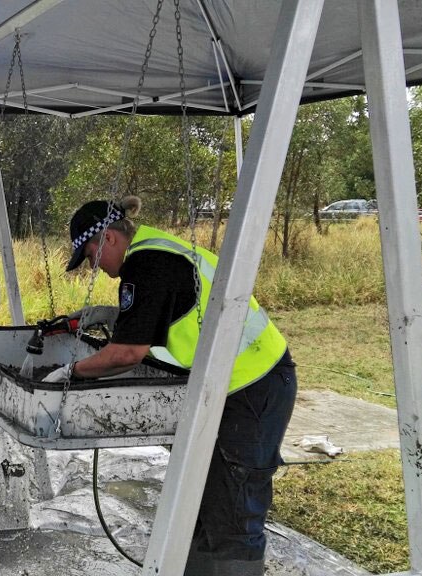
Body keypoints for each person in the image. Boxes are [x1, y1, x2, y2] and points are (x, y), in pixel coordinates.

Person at [48, 196, 297, 576]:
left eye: (92, 255)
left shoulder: (147, 263)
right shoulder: (158, 250)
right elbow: (174, 309)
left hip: (253, 388)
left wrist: (71, 373)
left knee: (233, 512)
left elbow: (126, 353)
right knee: (202, 501)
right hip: (229, 385)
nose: (95, 268)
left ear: (109, 240)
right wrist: (112, 314)